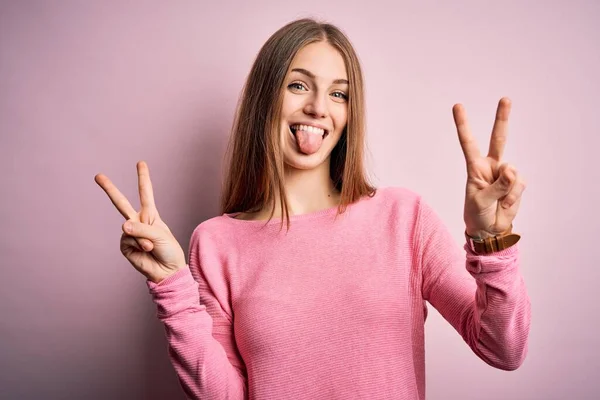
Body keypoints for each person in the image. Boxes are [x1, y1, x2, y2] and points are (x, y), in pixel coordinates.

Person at [95, 18, 530, 400]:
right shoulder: (215, 242)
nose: (318, 108)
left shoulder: (404, 218)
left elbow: (502, 350)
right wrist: (172, 286)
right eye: (298, 85)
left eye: (338, 94)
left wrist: (490, 244)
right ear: (267, 97)